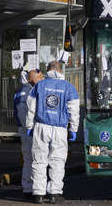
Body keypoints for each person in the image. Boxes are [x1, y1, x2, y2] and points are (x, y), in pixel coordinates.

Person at [25, 61, 79, 204]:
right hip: (60, 129)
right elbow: (74, 111)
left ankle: (38, 193)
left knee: (39, 160)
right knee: (57, 161)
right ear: (60, 70)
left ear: (47, 70)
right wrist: (73, 129)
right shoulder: (69, 87)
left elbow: (31, 107)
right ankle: (54, 193)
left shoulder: (39, 86)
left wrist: (29, 126)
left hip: (41, 126)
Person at [13, 68, 42, 200]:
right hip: (31, 129)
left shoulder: (19, 92)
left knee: (28, 160)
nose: (41, 80)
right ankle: (35, 188)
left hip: (23, 129)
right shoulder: (31, 92)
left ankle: (27, 187)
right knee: (36, 160)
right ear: (31, 78)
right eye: (39, 77)